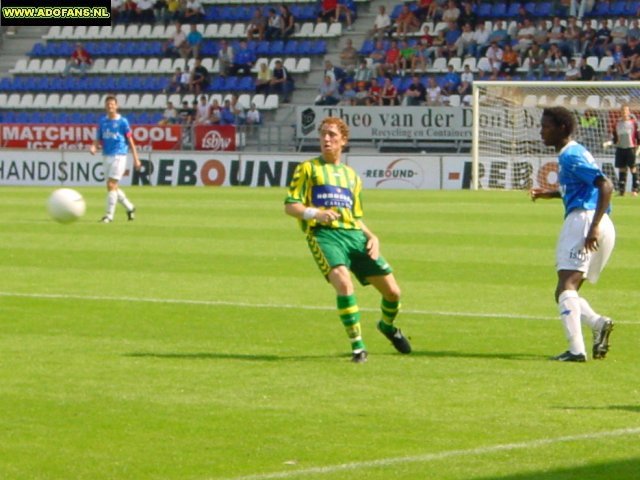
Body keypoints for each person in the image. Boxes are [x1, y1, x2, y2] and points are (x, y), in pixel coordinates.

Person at [284, 116, 411, 363]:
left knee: (393, 292)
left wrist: (372, 236)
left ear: (343, 140)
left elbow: (354, 216)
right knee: (344, 283)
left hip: (354, 236)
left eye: (332, 135)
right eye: (323, 134)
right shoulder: (308, 169)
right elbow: (291, 206)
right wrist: (315, 214)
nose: (326, 139)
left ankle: (386, 326)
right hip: (325, 235)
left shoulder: (352, 177)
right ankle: (358, 347)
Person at [529, 106, 615, 362]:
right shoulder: (572, 152)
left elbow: (605, 185)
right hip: (593, 219)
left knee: (566, 285)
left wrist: (593, 227)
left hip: (585, 220)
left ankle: (576, 351)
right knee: (566, 291)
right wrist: (550, 193)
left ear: (562, 128)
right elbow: (582, 187)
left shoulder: (571, 156)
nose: (541, 131)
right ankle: (598, 323)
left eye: (546, 126)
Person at [90, 96, 141, 224]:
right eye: (108, 104)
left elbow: (130, 141)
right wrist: (94, 146)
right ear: (105, 106)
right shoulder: (102, 122)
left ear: (116, 106)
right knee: (113, 187)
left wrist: (136, 159)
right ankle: (130, 207)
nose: (110, 106)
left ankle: (109, 216)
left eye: (112, 104)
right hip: (106, 155)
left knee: (111, 185)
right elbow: (98, 138)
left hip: (119, 155)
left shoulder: (123, 122)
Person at [607, 105, 640, 196]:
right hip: (620, 148)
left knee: (632, 168)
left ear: (629, 112)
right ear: (621, 112)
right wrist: (609, 143)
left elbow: (638, 136)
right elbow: (615, 138)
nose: (624, 112)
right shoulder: (617, 124)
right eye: (623, 111)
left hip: (630, 148)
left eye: (626, 111)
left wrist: (638, 148)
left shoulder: (633, 123)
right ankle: (622, 191)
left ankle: (635, 189)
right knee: (622, 169)